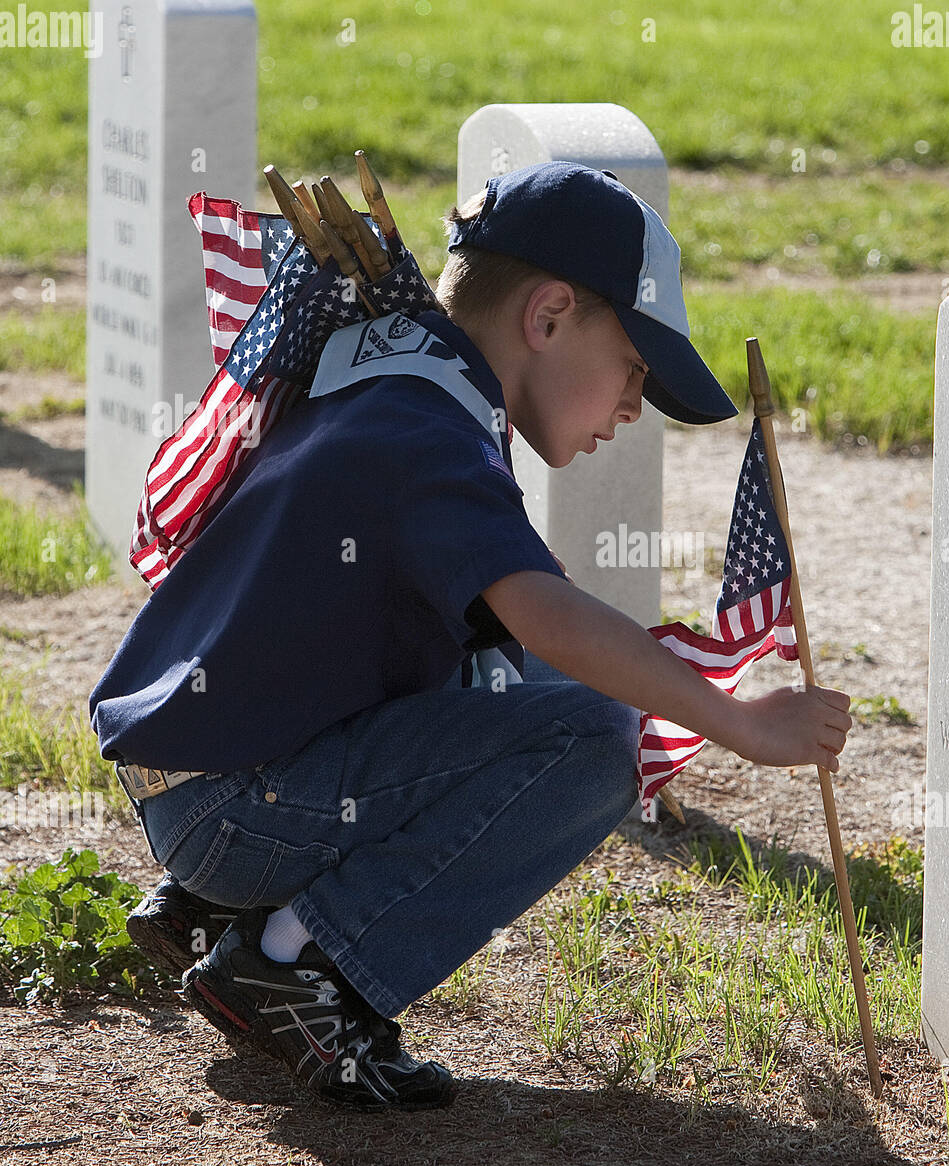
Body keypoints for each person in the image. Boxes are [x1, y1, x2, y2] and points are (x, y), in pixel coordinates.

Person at [89, 161, 852, 1110]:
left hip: (203, 778)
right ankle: (294, 962)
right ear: (550, 314)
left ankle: (220, 906)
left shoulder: (395, 367)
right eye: (634, 370)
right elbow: (549, 614)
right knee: (589, 736)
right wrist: (740, 723)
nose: (630, 408)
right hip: (237, 808)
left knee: (516, 675)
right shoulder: (430, 434)